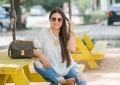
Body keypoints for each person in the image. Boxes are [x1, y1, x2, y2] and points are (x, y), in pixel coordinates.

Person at [33, 7, 87, 85]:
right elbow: (32, 49)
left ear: (63, 20)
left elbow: (72, 49)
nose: (56, 22)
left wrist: (71, 30)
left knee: (82, 80)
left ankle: (59, 80)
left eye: (59, 19)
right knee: (37, 64)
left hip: (69, 68)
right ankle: (61, 80)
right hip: (51, 69)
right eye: (53, 19)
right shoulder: (43, 33)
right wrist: (42, 57)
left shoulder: (67, 33)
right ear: (50, 19)